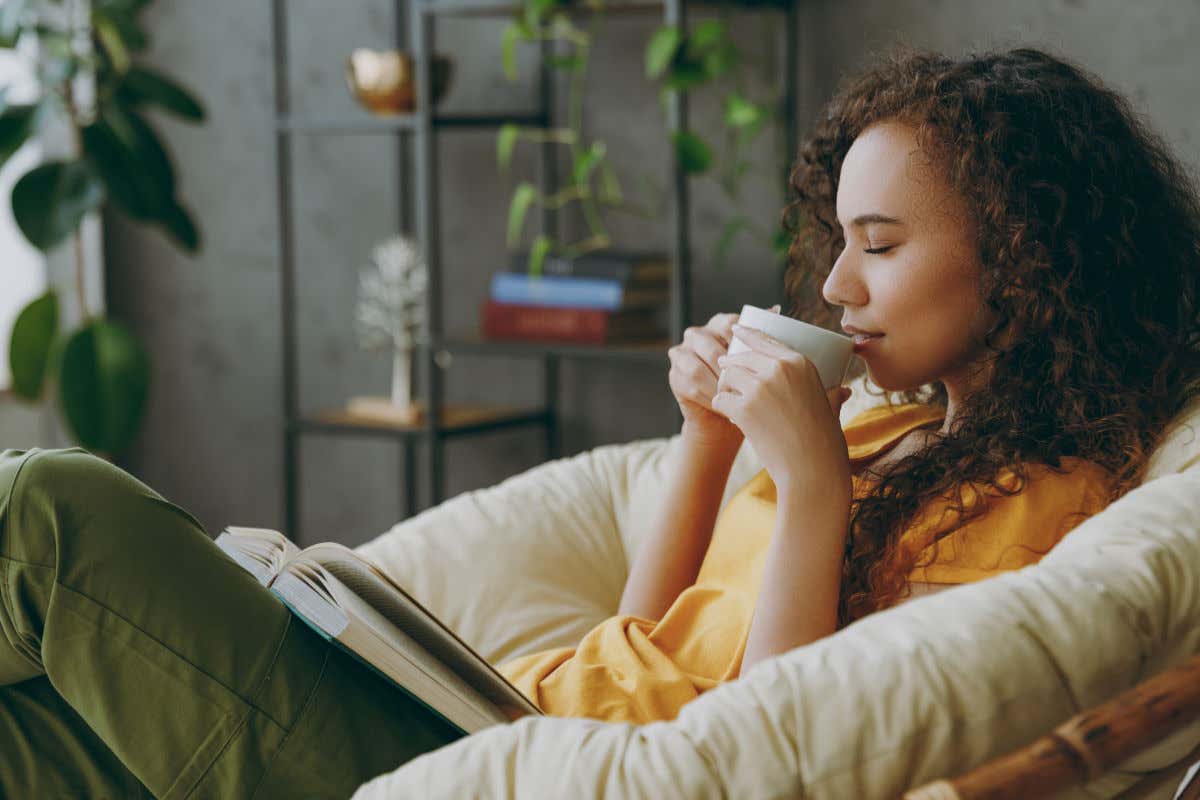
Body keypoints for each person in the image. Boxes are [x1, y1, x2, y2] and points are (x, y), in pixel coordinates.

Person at [2, 44, 1198, 798]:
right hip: (503, 718)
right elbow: (644, 636)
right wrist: (707, 445)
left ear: (1028, 260)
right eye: (838, 241)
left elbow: (790, 748)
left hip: (469, 769)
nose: (835, 286)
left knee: (53, 511)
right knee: (28, 732)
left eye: (879, 247)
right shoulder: (893, 429)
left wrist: (814, 486)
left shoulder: (1041, 501)